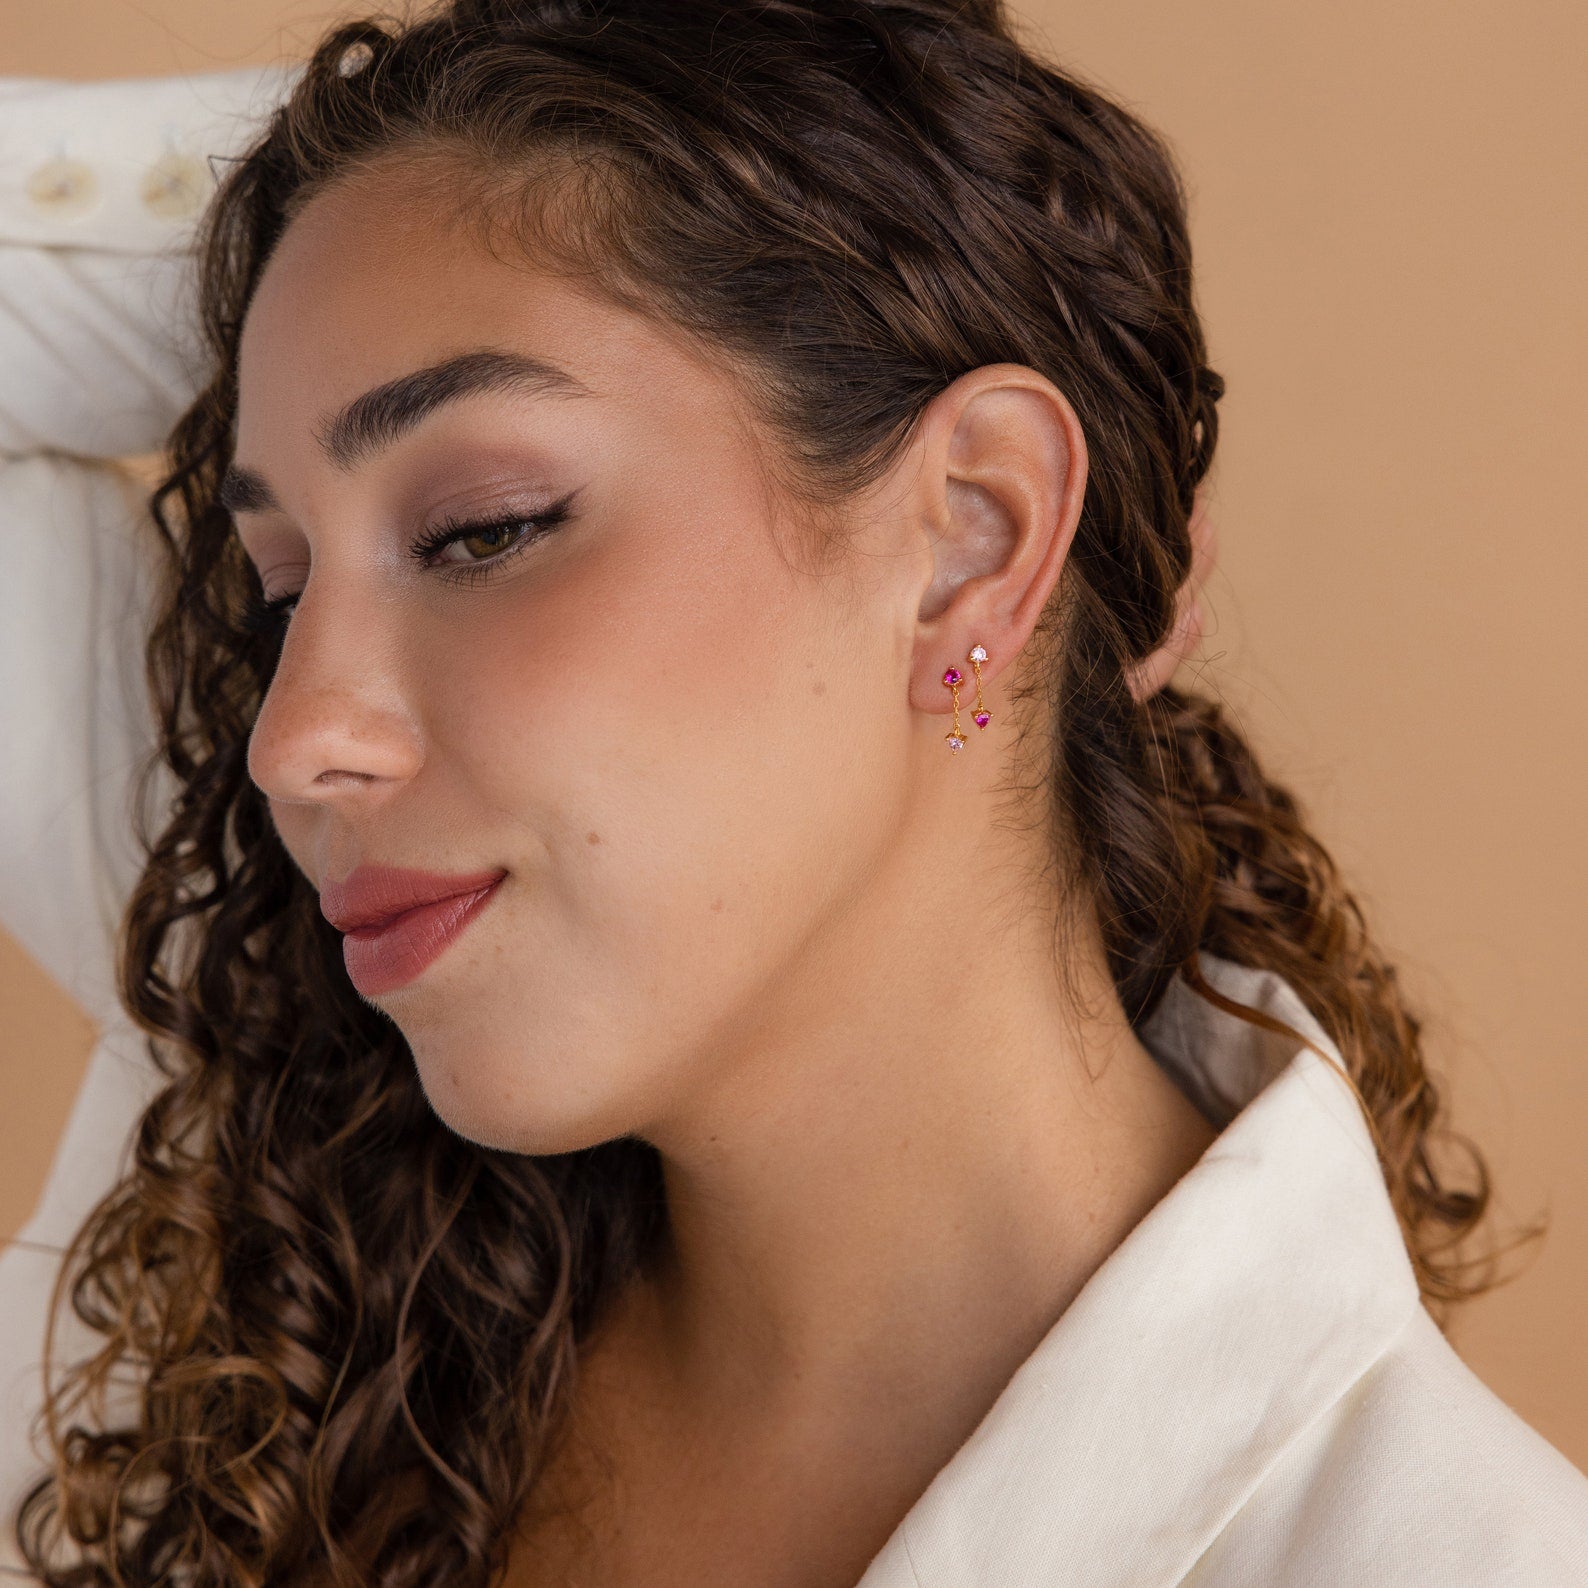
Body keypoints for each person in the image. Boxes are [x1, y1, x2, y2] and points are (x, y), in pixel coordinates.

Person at [2, 1, 1586, 1582]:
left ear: (972, 535)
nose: (294, 739)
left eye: (483, 528)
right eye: (280, 588)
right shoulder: (263, 1208)